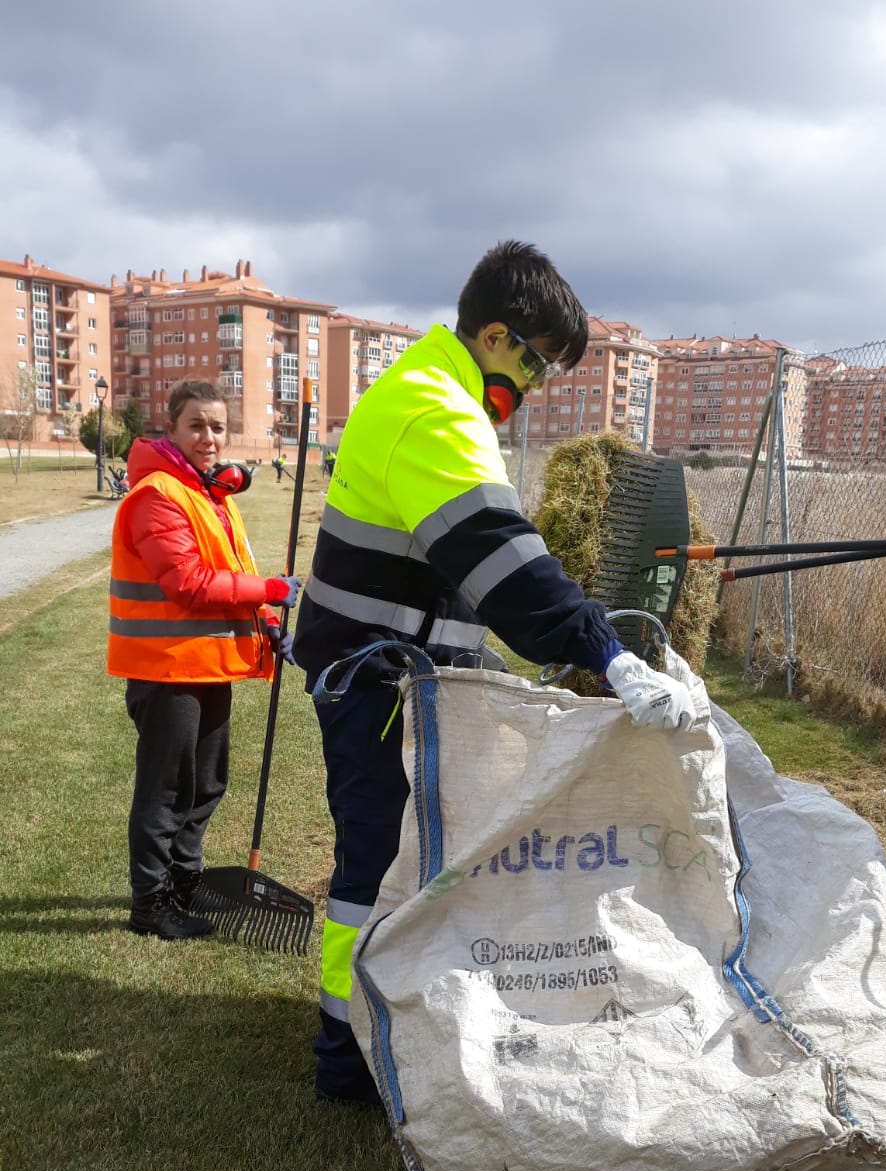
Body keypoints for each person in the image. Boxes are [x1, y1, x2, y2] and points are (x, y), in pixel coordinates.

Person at [292, 240, 697, 1105]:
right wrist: (603, 650)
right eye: (542, 366)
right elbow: (501, 563)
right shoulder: (431, 407)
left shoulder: (443, 395)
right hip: (374, 683)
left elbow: (453, 574)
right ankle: (348, 1054)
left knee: (413, 856)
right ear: (497, 336)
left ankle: (392, 1015)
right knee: (376, 865)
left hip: (399, 673)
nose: (539, 389)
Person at [108, 379, 301, 940]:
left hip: (209, 666)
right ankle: (150, 903)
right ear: (170, 429)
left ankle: (184, 881)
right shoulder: (158, 496)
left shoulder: (211, 497)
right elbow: (189, 584)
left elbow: (233, 568)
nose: (209, 437)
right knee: (165, 791)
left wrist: (268, 623)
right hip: (167, 670)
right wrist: (270, 587)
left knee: (207, 785)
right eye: (196, 425)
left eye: (217, 426)